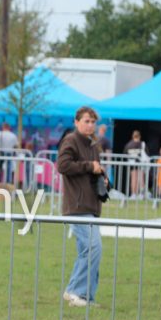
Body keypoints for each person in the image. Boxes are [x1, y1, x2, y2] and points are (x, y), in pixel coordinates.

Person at [56, 106, 104, 307]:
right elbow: (62, 165)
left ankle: (81, 295)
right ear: (76, 122)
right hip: (77, 205)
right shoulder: (71, 140)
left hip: (90, 205)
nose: (90, 125)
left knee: (88, 251)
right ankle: (77, 292)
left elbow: (90, 172)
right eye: (86, 121)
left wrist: (102, 178)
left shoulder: (92, 144)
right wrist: (89, 166)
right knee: (94, 248)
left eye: (93, 122)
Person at [123, 129, 148, 198]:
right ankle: (141, 194)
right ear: (139, 136)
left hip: (132, 164)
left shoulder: (128, 145)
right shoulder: (142, 144)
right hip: (141, 164)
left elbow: (125, 154)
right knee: (141, 179)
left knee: (133, 179)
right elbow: (147, 154)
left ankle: (133, 194)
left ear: (132, 136)